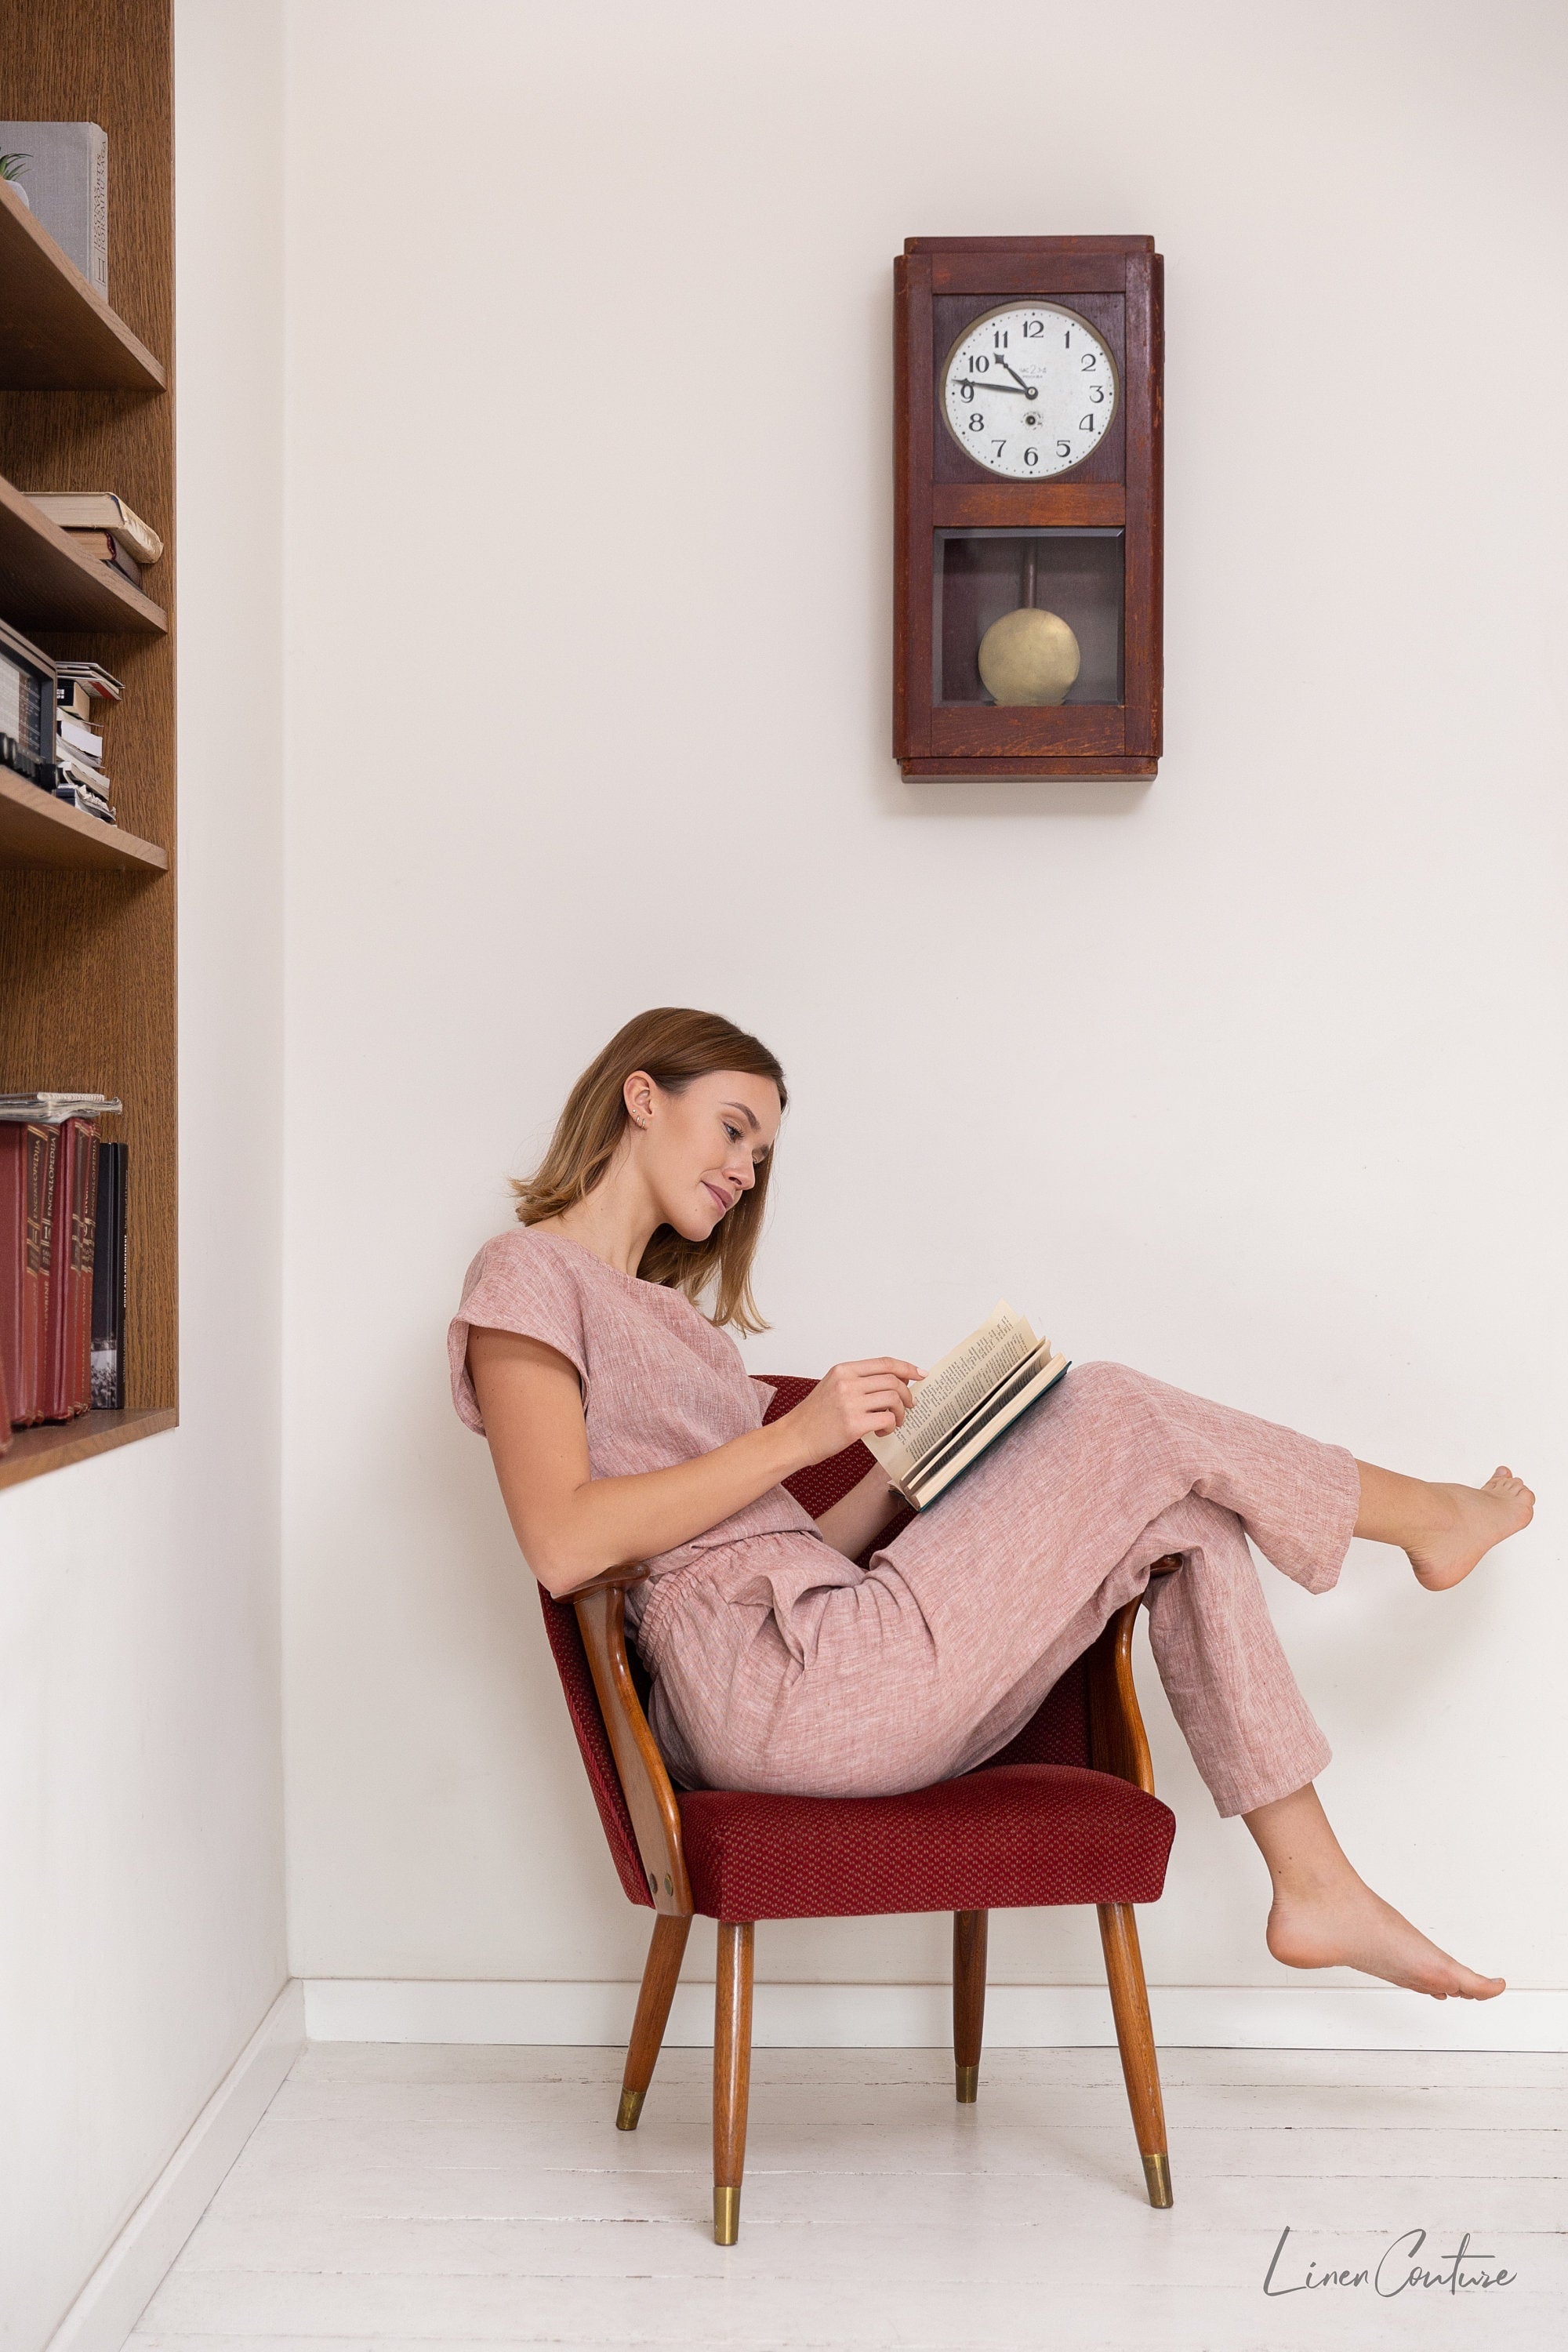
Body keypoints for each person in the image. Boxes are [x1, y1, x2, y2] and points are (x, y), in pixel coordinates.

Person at [451, 1007, 1533, 2002]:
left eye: (760, 1154)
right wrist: (797, 1435)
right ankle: (1430, 1519)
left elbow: (776, 1551)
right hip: (774, 1690)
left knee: (1182, 1518)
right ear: (643, 1098)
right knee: (1119, 1408)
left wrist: (895, 1467)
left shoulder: (680, 1326)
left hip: (823, 1655)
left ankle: (1315, 1884)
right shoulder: (528, 1272)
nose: (744, 1170)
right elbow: (563, 1541)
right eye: (731, 1131)